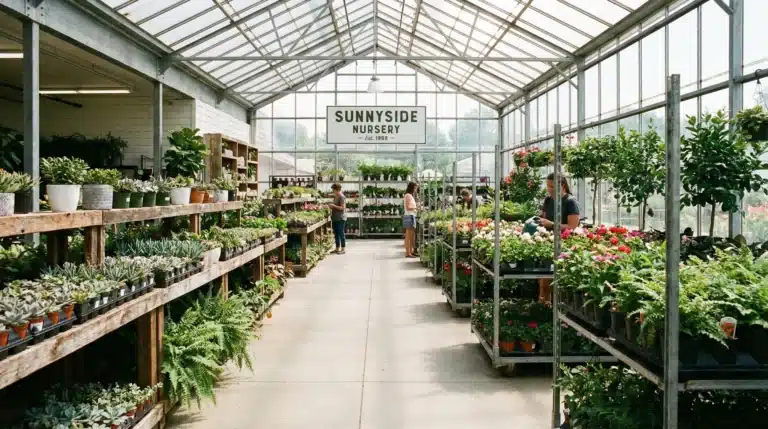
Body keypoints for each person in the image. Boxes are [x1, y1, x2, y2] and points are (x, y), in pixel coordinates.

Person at [538, 173, 580, 303]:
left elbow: (573, 226)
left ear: (562, 185)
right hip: (547, 242)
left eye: (552, 186)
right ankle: (544, 304)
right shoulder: (548, 200)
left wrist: (552, 224)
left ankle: (547, 305)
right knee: (542, 278)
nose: (549, 189)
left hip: (564, 244)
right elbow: (544, 217)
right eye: (548, 186)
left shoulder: (570, 202)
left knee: (550, 279)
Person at [327, 183, 346, 254]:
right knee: (336, 233)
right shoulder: (336, 196)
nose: (333, 191)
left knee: (341, 233)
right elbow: (335, 206)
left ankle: (343, 249)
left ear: (337, 189)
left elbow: (342, 208)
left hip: (340, 218)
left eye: (333, 189)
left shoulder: (341, 197)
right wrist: (330, 206)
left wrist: (333, 206)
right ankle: (337, 248)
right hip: (335, 217)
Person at [403, 182, 419, 258]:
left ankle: (410, 252)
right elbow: (408, 207)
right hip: (409, 216)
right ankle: (408, 253)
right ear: (412, 187)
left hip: (410, 216)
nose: (416, 189)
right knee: (409, 236)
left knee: (410, 236)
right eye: (415, 187)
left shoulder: (409, 196)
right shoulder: (408, 196)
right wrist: (417, 208)